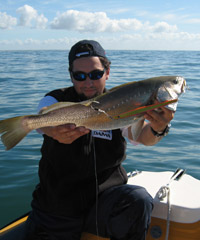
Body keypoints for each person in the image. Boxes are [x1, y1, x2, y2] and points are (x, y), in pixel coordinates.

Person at [24, 40, 175, 240]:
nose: (88, 83)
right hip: (58, 206)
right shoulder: (55, 99)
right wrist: (53, 130)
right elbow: (43, 117)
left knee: (138, 199)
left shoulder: (122, 103)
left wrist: (159, 127)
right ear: (71, 75)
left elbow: (142, 136)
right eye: (80, 76)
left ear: (107, 72)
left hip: (106, 201)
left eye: (96, 74)